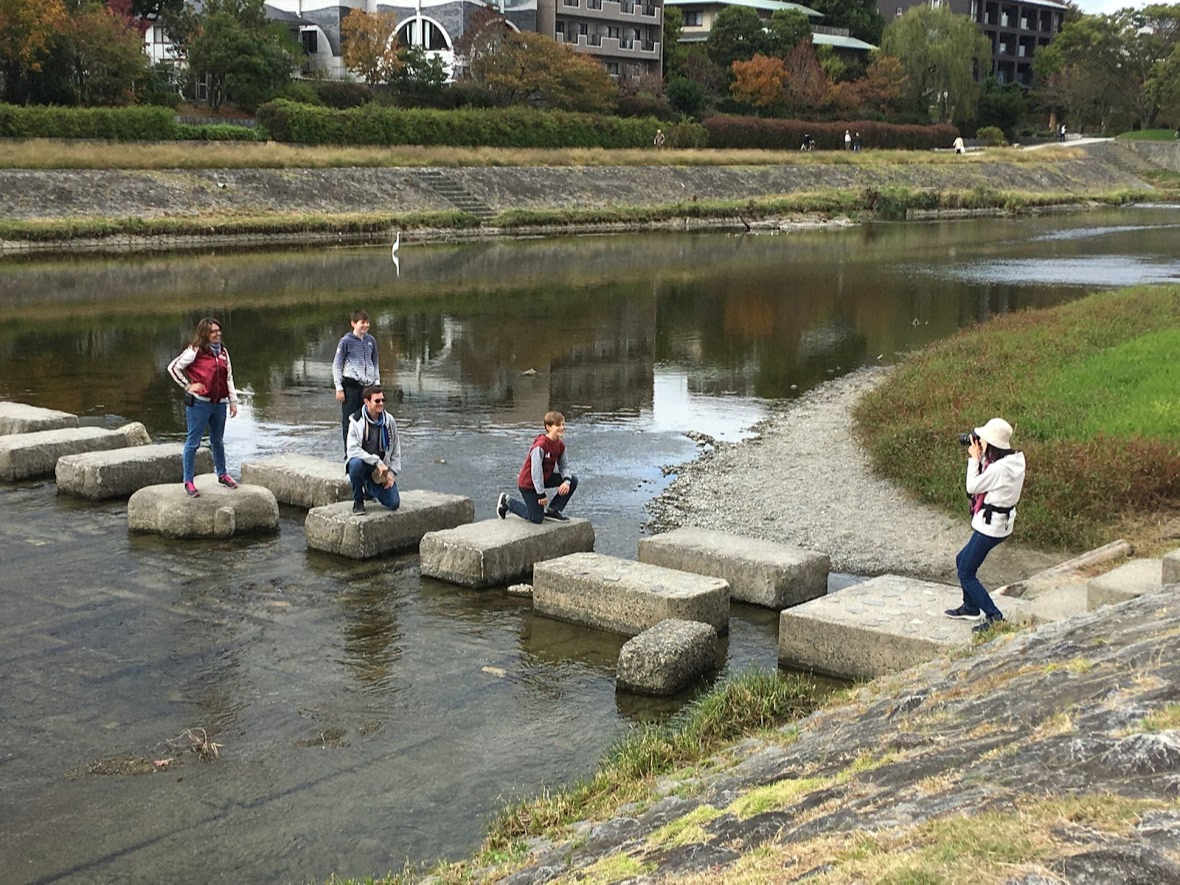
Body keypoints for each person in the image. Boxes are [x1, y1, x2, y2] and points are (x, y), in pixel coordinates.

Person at [945, 418, 1026, 634]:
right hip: (1001, 523)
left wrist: (974, 459)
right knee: (961, 559)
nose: (978, 441)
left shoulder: (999, 469)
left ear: (990, 443)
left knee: (966, 572)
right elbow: (989, 478)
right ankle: (970, 607)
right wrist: (982, 457)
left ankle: (994, 616)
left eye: (982, 439)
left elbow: (972, 486)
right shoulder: (1015, 460)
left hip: (992, 527)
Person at [167, 317, 240, 498]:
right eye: (213, 331)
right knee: (193, 442)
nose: (217, 334)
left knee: (218, 441)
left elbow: (228, 377)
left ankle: (222, 474)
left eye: (218, 330)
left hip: (219, 404)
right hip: (199, 403)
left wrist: (233, 401)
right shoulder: (195, 351)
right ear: (205, 334)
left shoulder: (223, 352)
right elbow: (173, 368)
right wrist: (188, 386)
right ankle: (188, 481)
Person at [496, 411, 578, 524]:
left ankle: (553, 509)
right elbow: (536, 472)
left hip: (544, 478)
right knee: (536, 518)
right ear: (548, 427)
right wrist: (541, 494)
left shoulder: (560, 446)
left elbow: (564, 466)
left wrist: (566, 481)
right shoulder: (540, 446)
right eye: (558, 425)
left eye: (563, 424)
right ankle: (507, 501)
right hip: (528, 483)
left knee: (572, 480)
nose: (562, 427)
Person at [345, 385, 401, 515]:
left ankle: (370, 488)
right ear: (367, 402)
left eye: (383, 400)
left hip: (380, 470)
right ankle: (358, 500)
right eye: (377, 401)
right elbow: (352, 450)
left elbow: (396, 448)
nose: (381, 403)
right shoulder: (356, 421)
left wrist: (391, 472)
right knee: (355, 463)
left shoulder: (389, 420)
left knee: (394, 503)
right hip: (365, 465)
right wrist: (376, 461)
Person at [333, 310, 380, 453]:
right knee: (350, 421)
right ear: (353, 323)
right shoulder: (346, 342)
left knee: (368, 420)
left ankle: (366, 453)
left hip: (368, 386)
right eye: (362, 323)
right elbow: (337, 364)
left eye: (367, 322)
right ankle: (350, 455)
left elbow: (375, 362)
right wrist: (339, 387)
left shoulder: (371, 340)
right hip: (351, 386)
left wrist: (377, 382)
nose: (365, 325)